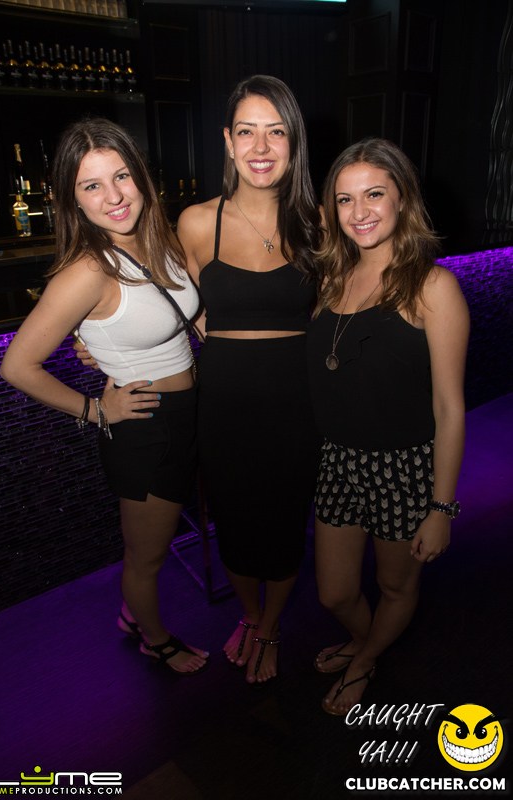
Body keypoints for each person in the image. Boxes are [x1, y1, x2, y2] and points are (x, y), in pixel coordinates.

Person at [0, 117, 209, 675]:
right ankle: (154, 639)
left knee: (155, 544)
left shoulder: (159, 241)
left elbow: (186, 316)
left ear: (141, 176)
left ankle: (131, 615)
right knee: (148, 555)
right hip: (145, 429)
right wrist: (94, 409)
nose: (113, 196)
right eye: (92, 185)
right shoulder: (88, 271)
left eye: (121, 176)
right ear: (72, 199)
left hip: (186, 415)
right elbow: (17, 366)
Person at [307, 138, 469, 714]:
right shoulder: (333, 278)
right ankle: (363, 638)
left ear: (403, 198)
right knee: (334, 592)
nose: (360, 212)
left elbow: (449, 408)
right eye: (345, 199)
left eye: (374, 194)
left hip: (404, 466)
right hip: (338, 461)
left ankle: (366, 659)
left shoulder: (433, 286)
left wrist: (441, 508)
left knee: (397, 586)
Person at [177, 75, 323, 684]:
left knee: (286, 523)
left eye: (276, 131)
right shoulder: (195, 222)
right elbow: (173, 303)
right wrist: (96, 343)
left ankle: (272, 625)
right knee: (233, 524)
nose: (261, 147)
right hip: (224, 406)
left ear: (293, 143)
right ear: (228, 142)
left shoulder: (320, 222)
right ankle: (250, 612)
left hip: (297, 404)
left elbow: (338, 309)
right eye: (247, 131)